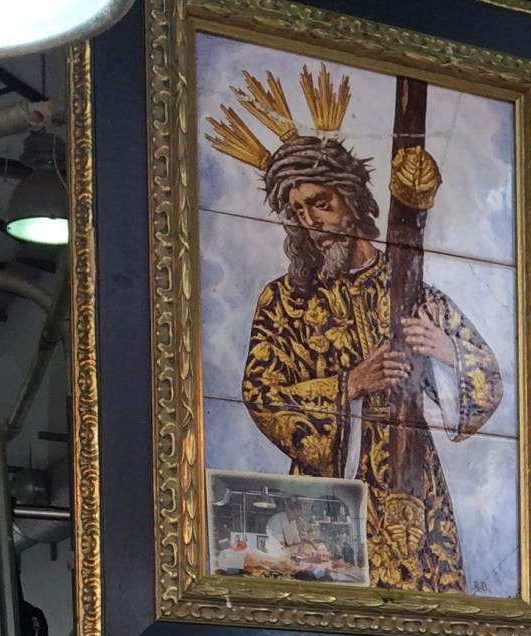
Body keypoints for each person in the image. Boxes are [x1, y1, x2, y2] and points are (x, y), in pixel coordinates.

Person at [209, 69, 503, 593]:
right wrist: (348, 386)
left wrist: (448, 354)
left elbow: (487, 381)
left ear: (349, 200)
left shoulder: (408, 285)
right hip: (323, 496)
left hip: (415, 491)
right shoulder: (283, 301)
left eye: (320, 202)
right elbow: (260, 394)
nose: (310, 220)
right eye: (297, 210)